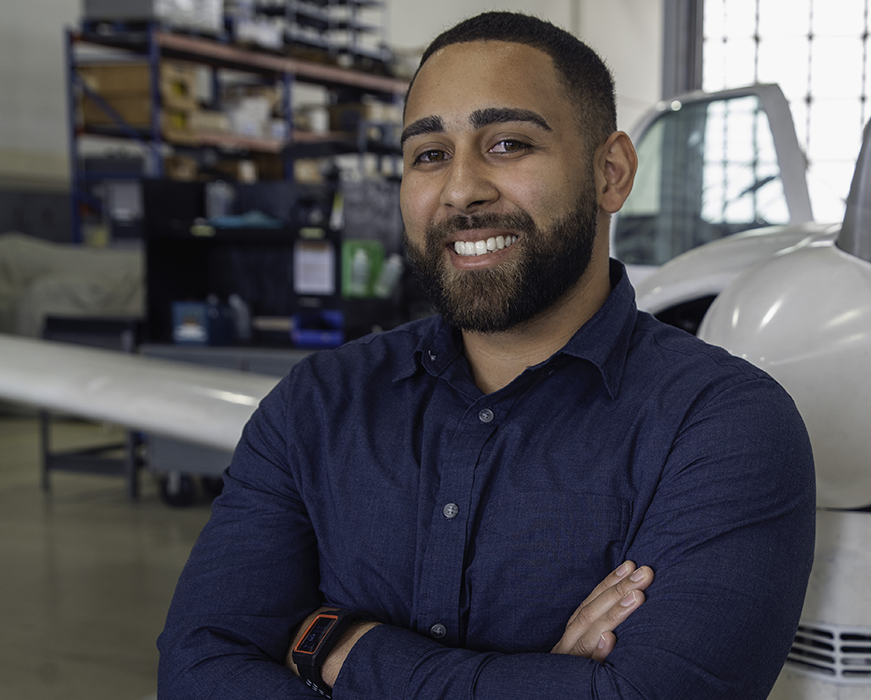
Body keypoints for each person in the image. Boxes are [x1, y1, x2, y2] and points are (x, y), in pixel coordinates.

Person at [156, 11, 816, 699]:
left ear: (611, 173)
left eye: (508, 144)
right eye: (429, 155)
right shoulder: (316, 405)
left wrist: (342, 648)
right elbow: (200, 670)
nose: (462, 189)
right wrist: (548, 680)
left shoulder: (723, 426)